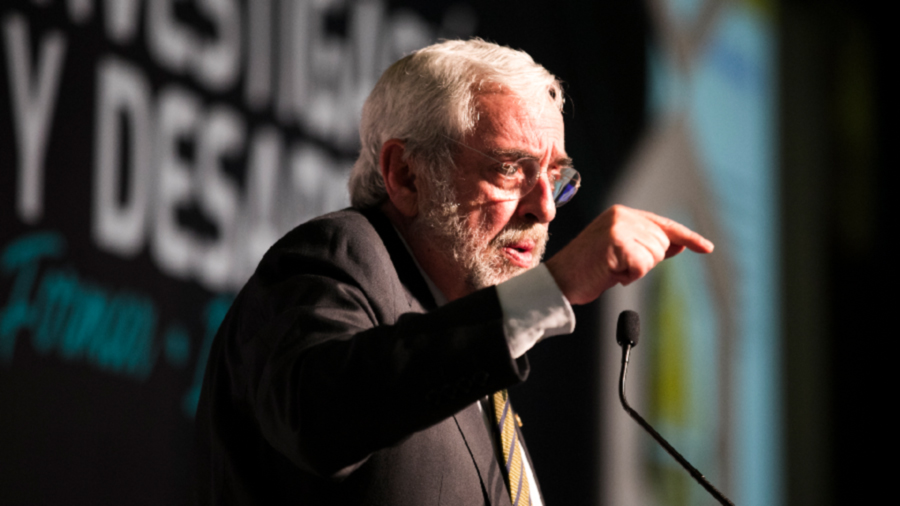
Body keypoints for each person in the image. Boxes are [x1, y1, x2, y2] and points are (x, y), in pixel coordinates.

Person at [194, 39, 713, 506]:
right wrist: (551, 287)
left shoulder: (470, 367)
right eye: (511, 168)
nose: (546, 210)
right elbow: (320, 417)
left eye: (555, 178)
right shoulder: (341, 256)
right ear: (406, 174)